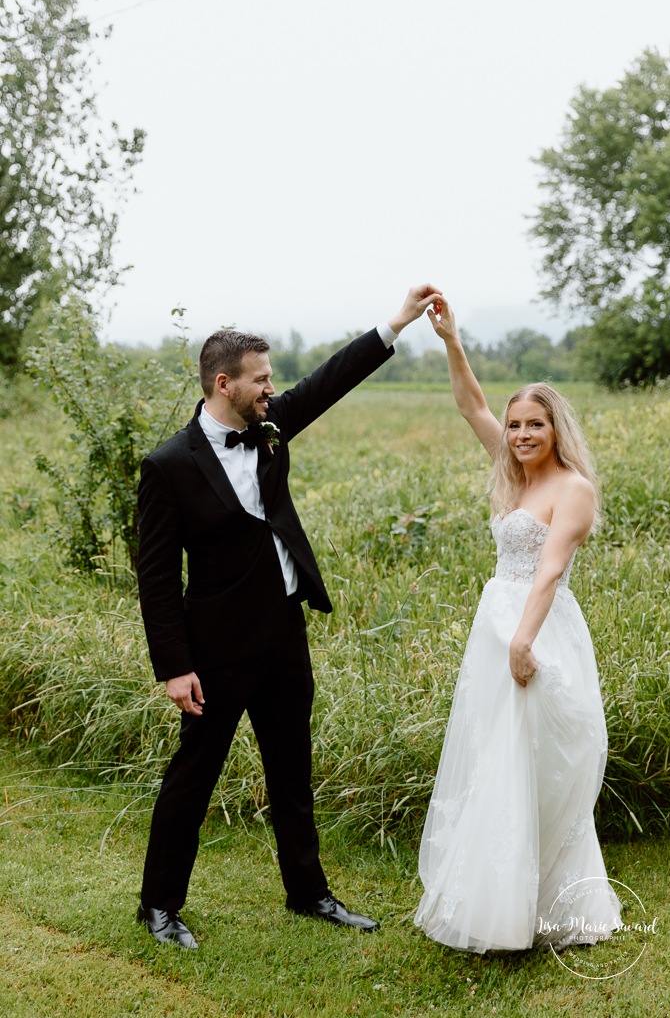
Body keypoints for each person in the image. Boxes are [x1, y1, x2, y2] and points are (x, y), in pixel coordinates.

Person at [136, 284, 442, 950]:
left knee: (291, 770)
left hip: (283, 633)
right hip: (214, 651)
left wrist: (395, 323)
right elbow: (156, 580)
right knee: (194, 776)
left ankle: (309, 894)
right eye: (261, 379)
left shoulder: (269, 427)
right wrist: (175, 667)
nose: (272, 388)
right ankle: (158, 906)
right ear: (224, 384)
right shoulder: (165, 466)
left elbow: (330, 382)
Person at [414, 298, 620, 952]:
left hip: (537, 627)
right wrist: (451, 340)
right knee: (493, 753)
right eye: (515, 425)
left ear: (556, 427)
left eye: (535, 424)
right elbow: (470, 404)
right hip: (494, 623)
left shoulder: (572, 489)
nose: (522, 434)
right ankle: (493, 904)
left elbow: (549, 572)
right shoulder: (510, 467)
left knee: (537, 758)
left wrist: (525, 642)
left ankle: (550, 904)